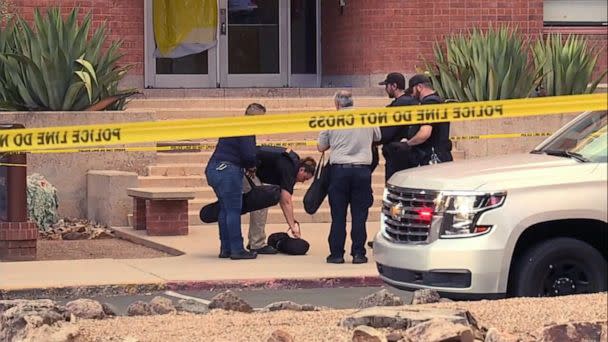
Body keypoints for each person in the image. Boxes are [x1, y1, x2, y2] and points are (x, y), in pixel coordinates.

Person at [318, 90, 381, 264]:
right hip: (362, 171)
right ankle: (359, 253)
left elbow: (321, 147)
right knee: (360, 215)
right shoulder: (367, 117)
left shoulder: (331, 120)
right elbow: (378, 137)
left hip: (339, 171)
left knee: (338, 215)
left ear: (337, 104)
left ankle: (337, 254)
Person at [205, 104, 260, 260]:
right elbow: (249, 155)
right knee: (233, 210)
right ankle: (237, 249)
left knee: (225, 209)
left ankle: (226, 248)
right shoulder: (248, 128)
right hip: (228, 171)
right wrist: (252, 166)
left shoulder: (234, 125)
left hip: (213, 169)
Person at [248, 145, 316, 249]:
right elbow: (285, 201)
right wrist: (293, 226)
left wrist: (292, 221)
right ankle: (257, 244)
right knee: (260, 203)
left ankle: (254, 242)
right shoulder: (290, 168)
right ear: (302, 170)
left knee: (261, 201)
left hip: (253, 165)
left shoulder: (292, 163)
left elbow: (285, 198)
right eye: (304, 178)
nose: (302, 182)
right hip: (247, 167)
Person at [375, 72, 419, 180]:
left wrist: (375, 140)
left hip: (397, 154)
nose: (386, 89)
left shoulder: (398, 106)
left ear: (394, 86)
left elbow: (387, 132)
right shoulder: (413, 101)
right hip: (411, 153)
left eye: (387, 85)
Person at [404, 74, 453, 165]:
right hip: (441, 155)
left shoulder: (429, 104)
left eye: (412, 90)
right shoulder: (439, 101)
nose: (412, 95)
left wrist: (407, 144)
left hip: (432, 157)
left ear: (419, 87)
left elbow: (424, 133)